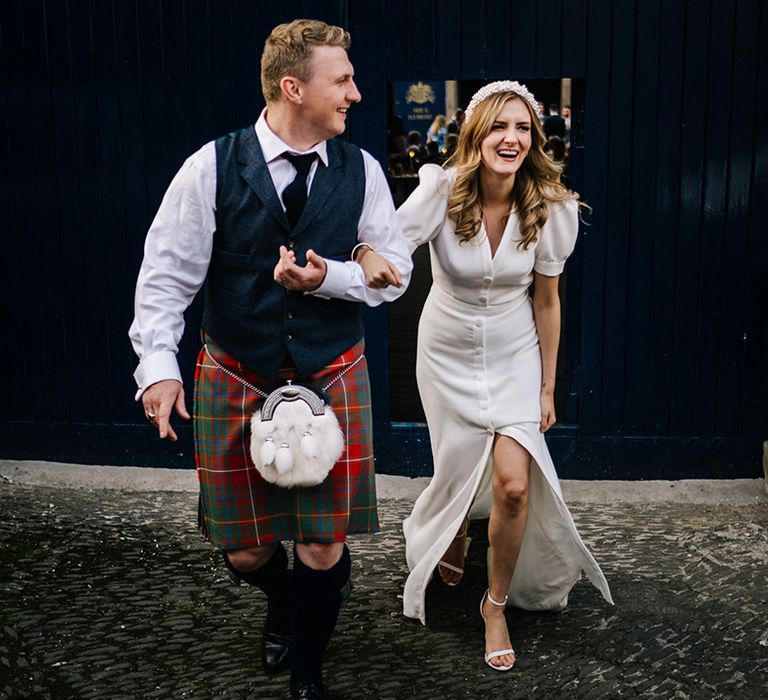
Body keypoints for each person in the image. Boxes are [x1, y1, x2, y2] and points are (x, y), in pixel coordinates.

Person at [129, 19, 410, 700]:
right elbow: (166, 275)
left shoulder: (362, 170)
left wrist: (332, 280)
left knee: (322, 545)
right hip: (237, 373)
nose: (357, 94)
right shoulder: (211, 166)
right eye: (342, 80)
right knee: (245, 548)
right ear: (295, 87)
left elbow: (395, 272)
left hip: (332, 371)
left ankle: (309, 668)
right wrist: (159, 369)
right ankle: (284, 601)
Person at [361, 81, 612, 671]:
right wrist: (364, 256)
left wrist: (548, 386)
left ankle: (494, 604)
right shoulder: (440, 192)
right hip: (444, 351)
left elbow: (546, 301)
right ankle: (456, 531)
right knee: (457, 464)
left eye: (523, 128)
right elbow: (388, 243)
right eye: (500, 126)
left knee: (514, 483)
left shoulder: (550, 206)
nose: (512, 139)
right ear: (476, 134)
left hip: (514, 350)